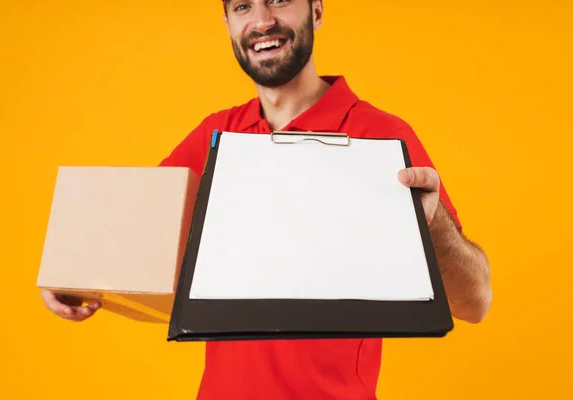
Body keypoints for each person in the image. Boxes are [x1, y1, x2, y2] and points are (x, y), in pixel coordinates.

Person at [41, 0, 493, 398]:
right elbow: (139, 237)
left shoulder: (381, 136)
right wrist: (70, 273)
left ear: (316, 10)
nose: (262, 21)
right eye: (242, 6)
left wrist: (431, 228)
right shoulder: (214, 135)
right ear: (227, 23)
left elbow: (475, 304)